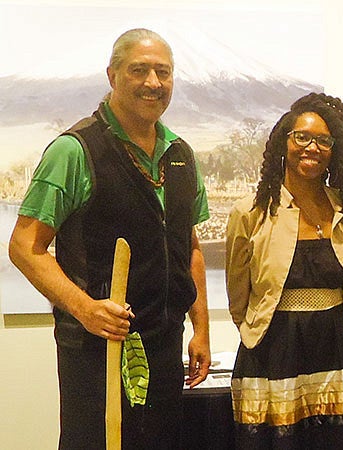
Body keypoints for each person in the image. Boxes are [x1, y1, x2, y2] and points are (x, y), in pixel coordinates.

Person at [8, 28, 211, 449]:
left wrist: (201, 329)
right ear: (112, 75)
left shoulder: (181, 156)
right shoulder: (74, 151)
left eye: (163, 72)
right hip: (97, 349)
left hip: (165, 344)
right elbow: (25, 247)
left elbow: (187, 246)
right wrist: (86, 309)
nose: (153, 83)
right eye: (139, 70)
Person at [225, 92, 343, 449]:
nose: (312, 147)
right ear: (283, 143)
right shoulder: (251, 212)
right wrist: (255, 330)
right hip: (272, 350)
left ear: (335, 151)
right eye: (301, 137)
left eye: (323, 140)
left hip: (334, 348)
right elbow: (238, 294)